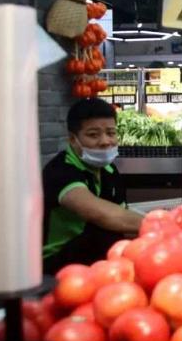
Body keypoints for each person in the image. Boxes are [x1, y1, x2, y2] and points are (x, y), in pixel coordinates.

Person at [42, 98, 142, 274]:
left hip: (92, 257)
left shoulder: (109, 170)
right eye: (93, 135)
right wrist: (161, 226)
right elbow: (101, 214)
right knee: (104, 233)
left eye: (111, 133)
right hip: (56, 263)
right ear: (73, 139)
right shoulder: (60, 171)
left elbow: (122, 217)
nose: (105, 141)